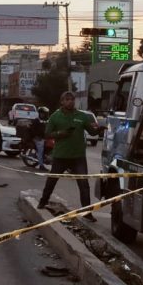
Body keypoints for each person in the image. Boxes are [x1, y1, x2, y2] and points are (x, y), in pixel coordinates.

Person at [37, 92, 105, 221]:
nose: (70, 102)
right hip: (60, 156)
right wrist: (60, 133)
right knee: (52, 181)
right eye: (67, 100)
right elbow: (47, 134)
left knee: (84, 184)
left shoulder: (82, 116)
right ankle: (43, 201)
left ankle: (87, 212)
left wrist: (99, 130)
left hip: (78, 157)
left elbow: (92, 131)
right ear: (62, 101)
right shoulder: (55, 117)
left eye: (72, 99)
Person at [29, 107, 50, 171]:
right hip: (38, 138)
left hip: (45, 137)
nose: (42, 114)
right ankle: (41, 165)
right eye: (41, 113)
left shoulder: (47, 120)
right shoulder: (36, 120)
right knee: (40, 151)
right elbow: (32, 130)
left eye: (44, 113)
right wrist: (36, 136)